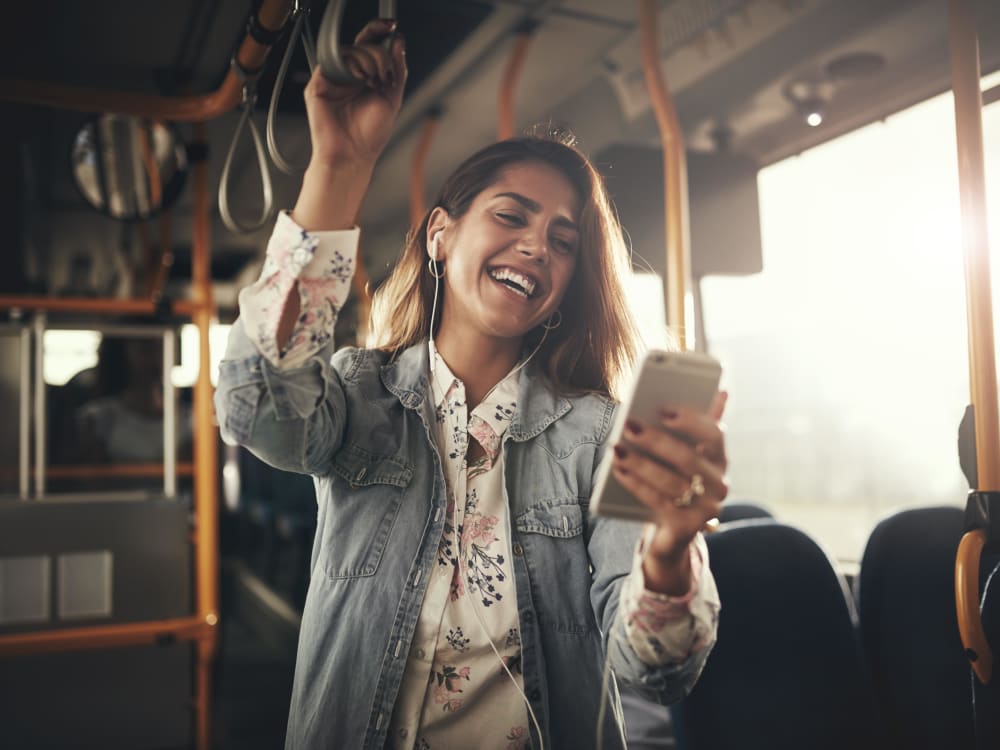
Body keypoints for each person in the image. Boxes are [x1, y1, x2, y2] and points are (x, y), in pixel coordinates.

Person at [215, 18, 728, 750]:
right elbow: (255, 406)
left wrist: (669, 555)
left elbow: (653, 672)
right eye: (511, 216)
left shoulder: (598, 435)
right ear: (439, 235)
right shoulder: (361, 397)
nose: (536, 246)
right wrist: (340, 164)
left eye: (562, 239)